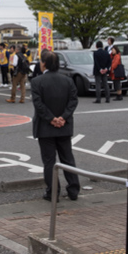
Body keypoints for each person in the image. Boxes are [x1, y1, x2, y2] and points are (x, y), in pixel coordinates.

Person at [31, 51, 80, 201]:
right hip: (64, 126)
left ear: (44, 63)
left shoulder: (37, 81)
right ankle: (73, 190)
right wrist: (63, 118)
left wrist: (51, 119)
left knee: (49, 161)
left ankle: (52, 193)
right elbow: (73, 101)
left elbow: (38, 104)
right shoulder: (67, 80)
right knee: (68, 159)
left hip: (46, 127)